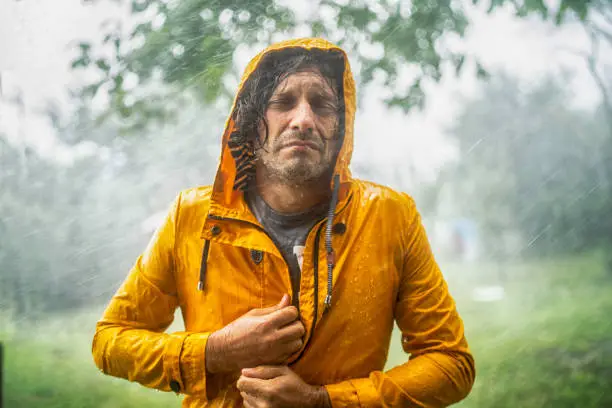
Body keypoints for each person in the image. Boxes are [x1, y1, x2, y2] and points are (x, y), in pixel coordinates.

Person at [92, 38, 475, 408]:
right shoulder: (192, 217)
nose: (303, 120)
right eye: (283, 102)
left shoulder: (390, 216)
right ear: (252, 121)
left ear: (341, 127)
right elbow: (111, 342)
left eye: (322, 105)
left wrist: (323, 402)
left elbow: (450, 363)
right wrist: (215, 351)